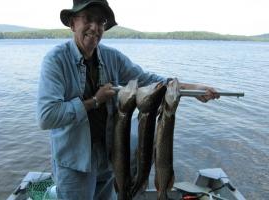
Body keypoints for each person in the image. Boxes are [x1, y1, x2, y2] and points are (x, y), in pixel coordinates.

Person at [36, 0, 220, 199]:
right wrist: (95, 101)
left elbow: (149, 80)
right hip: (75, 163)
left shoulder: (112, 57)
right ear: (72, 24)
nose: (95, 27)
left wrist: (192, 88)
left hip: (109, 157)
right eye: (88, 19)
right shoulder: (55, 60)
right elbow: (47, 117)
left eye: (101, 21)